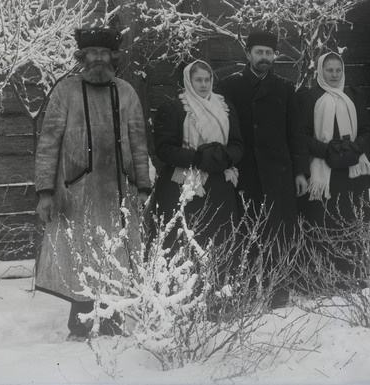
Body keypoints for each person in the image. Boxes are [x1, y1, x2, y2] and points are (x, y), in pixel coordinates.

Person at [34, 26, 152, 342]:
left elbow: (139, 142)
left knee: (116, 254)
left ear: (113, 56)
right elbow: (48, 142)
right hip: (76, 190)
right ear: (83, 56)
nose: (98, 58)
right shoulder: (66, 91)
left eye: (104, 53)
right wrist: (46, 191)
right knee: (80, 255)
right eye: (92, 53)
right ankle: (82, 324)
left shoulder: (126, 92)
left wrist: (142, 186)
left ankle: (112, 320)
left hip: (118, 191)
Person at [214, 29, 310, 308]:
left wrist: (300, 172)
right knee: (244, 233)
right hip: (243, 174)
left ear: (275, 55)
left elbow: (296, 134)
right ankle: (243, 292)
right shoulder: (228, 87)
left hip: (277, 175)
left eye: (269, 53)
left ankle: (277, 291)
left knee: (278, 232)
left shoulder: (284, 88)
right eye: (259, 52)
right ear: (248, 54)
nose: (264, 57)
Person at [152, 59, 244, 249]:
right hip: (185, 187)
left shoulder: (225, 108)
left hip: (220, 184)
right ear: (188, 81)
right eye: (198, 80)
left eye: (207, 80)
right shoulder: (174, 108)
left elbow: (237, 144)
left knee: (220, 241)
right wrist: (197, 158)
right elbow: (164, 149)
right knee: (187, 242)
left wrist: (223, 157)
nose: (203, 85)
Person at [297, 51, 370, 275]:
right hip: (324, 172)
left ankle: (353, 273)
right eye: (329, 70)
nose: (334, 74)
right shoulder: (310, 97)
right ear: (320, 71)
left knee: (352, 220)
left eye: (338, 70)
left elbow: (367, 131)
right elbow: (303, 135)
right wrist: (328, 150)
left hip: (352, 171)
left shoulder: (354, 95)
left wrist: (355, 148)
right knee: (325, 222)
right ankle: (324, 276)